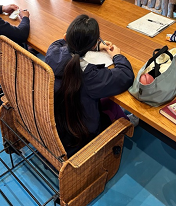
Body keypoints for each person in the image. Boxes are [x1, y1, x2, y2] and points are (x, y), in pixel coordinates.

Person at [45, 14, 135, 157]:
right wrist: (117, 56)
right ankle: (128, 121)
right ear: (93, 44)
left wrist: (94, 46)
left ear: (66, 38)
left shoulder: (52, 54)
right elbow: (126, 76)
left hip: (58, 125)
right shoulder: (90, 75)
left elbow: (58, 43)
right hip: (81, 134)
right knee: (112, 104)